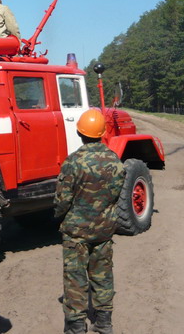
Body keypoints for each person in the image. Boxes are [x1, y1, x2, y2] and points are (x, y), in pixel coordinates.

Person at [54, 109, 125, 334]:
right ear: (103, 132)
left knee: (75, 279)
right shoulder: (115, 160)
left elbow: (62, 200)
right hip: (104, 230)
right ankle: (104, 322)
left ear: (80, 132)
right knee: (103, 274)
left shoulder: (73, 161)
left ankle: (76, 327)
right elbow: (116, 194)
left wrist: (59, 215)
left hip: (77, 232)